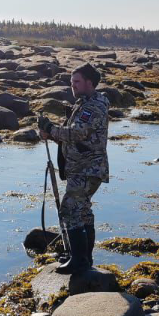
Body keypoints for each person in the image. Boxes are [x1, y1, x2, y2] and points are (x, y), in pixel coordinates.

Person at [38, 63, 109, 274]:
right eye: (71, 83)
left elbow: (77, 134)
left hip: (88, 169)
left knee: (69, 209)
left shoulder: (93, 106)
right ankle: (84, 258)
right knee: (83, 211)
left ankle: (79, 260)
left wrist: (51, 128)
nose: (73, 86)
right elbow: (72, 138)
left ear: (90, 83)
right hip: (82, 168)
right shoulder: (83, 104)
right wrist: (50, 134)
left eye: (77, 82)